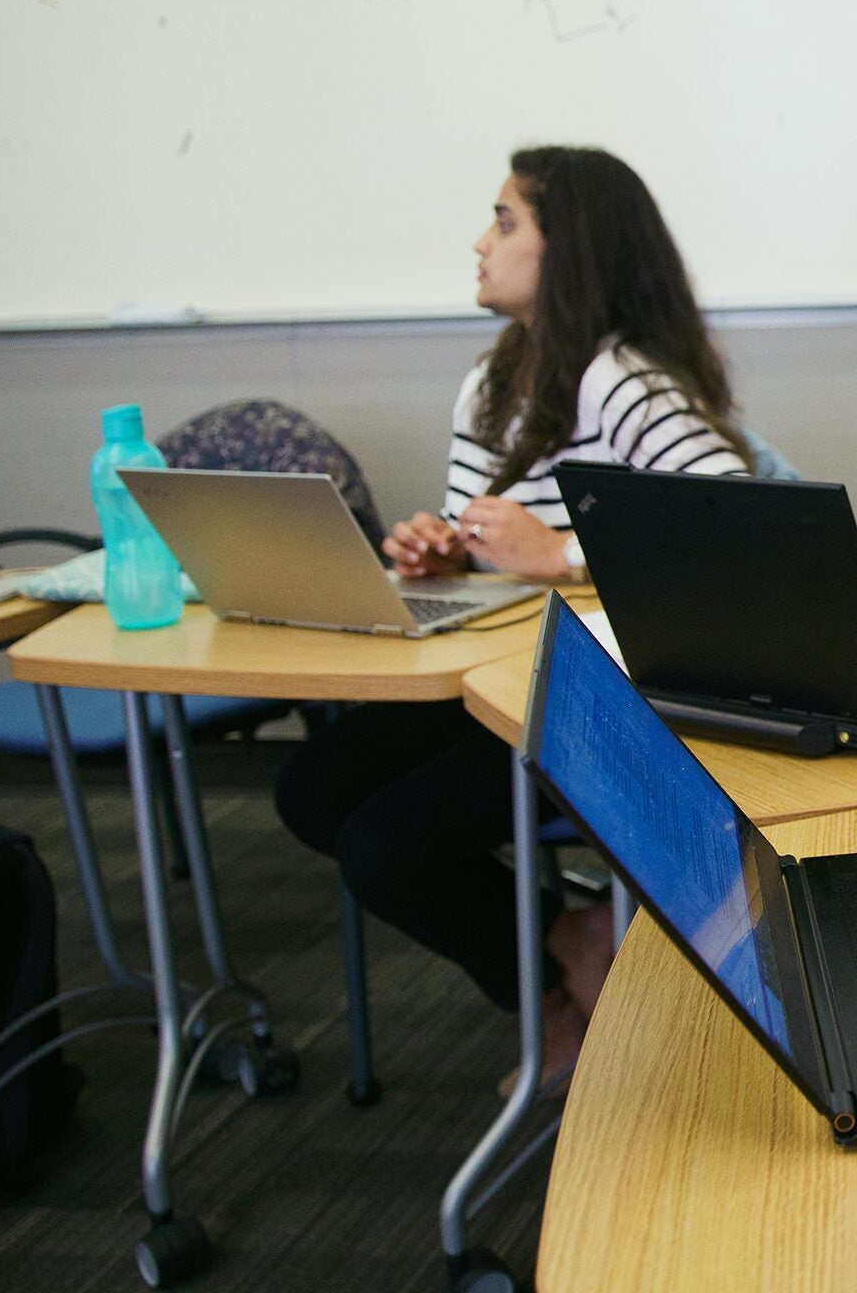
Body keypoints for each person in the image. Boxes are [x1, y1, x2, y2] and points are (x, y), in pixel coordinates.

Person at [276, 146, 753, 1080]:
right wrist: (447, 550)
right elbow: (484, 536)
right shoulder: (493, 378)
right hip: (499, 674)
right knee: (309, 793)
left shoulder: (623, 379)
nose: (479, 244)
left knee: (381, 847)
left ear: (567, 249)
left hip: (596, 699)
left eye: (503, 222)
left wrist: (560, 554)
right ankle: (568, 945)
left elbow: (731, 542)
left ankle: (547, 982)